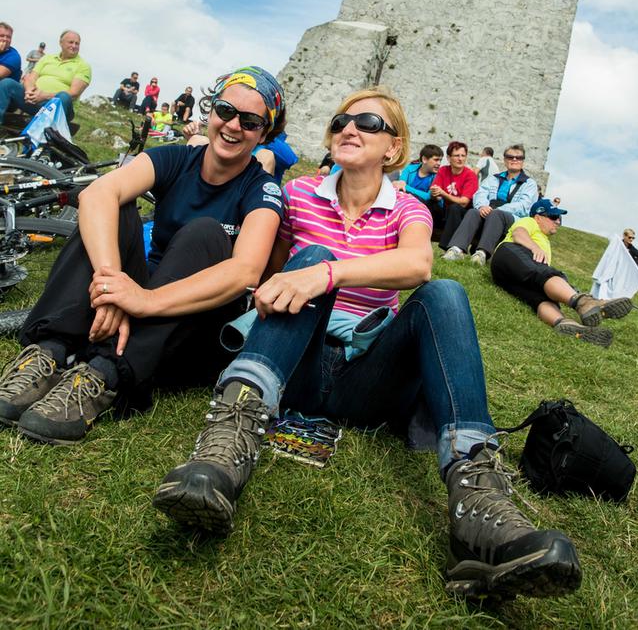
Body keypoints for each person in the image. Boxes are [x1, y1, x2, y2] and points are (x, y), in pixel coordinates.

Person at [153, 86, 582, 603]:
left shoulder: (408, 210)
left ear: (394, 148)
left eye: (369, 124)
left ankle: (479, 501)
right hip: (296, 365)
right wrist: (302, 274)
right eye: (341, 121)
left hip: (367, 377)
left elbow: (417, 265)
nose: (349, 129)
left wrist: (329, 274)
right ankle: (227, 445)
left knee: (444, 292)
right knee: (306, 259)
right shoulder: (297, 195)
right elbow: (266, 271)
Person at [0, 66, 286, 445]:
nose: (233, 125)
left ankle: (104, 377)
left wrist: (145, 300)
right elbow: (98, 194)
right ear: (211, 111)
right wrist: (110, 283)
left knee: (205, 232)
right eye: (226, 111)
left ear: (264, 133)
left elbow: (245, 270)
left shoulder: (262, 189)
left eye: (250, 121)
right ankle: (49, 353)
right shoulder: (176, 158)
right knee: (113, 209)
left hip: (194, 325)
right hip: (137, 298)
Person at [490, 199, 632, 347]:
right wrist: (535, 248)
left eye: (559, 218)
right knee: (545, 274)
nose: (557, 222)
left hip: (507, 278)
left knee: (540, 298)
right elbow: (518, 234)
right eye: (553, 217)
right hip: (507, 255)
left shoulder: (545, 241)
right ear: (538, 217)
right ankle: (584, 302)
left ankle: (566, 324)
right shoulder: (529, 221)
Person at [443, 144, 538, 265]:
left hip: (512, 217)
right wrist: (482, 206)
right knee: (473, 212)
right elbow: (480, 193)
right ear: (504, 159)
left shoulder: (529, 184)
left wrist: (497, 209)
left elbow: (524, 205)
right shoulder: (494, 178)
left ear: (522, 161)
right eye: (510, 157)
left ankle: (481, 254)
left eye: (518, 157)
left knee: (497, 214)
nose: (514, 160)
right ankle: (456, 249)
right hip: (489, 210)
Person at [0, 29, 90, 126]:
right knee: (7, 83)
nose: (74, 46)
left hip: (59, 107)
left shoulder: (83, 66)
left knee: (63, 96)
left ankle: (37, 135)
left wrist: (44, 95)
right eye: (71, 42)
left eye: (77, 43)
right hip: (34, 100)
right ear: (61, 43)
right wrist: (29, 91)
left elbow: (73, 93)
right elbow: (31, 77)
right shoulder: (47, 58)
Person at [431, 141, 478, 250]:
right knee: (429, 203)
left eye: (463, 156)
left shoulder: (470, 175)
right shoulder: (443, 170)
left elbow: (464, 202)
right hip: (446, 210)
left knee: (454, 208)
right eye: (457, 155)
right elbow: (436, 194)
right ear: (448, 158)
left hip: (464, 213)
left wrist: (442, 193)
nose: (460, 159)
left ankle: (448, 247)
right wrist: (435, 194)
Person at [393, 144, 443, 229]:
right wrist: (402, 186)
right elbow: (400, 187)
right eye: (436, 160)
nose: (439, 163)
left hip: (432, 210)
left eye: (440, 160)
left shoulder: (438, 175)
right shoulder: (410, 169)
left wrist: (407, 187)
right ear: (424, 159)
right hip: (408, 207)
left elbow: (428, 196)